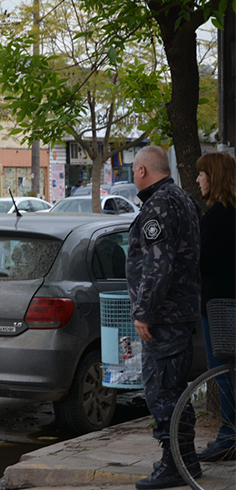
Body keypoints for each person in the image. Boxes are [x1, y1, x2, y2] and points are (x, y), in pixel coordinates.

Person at [126, 145, 202, 489]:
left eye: (133, 170)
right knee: (174, 388)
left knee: (162, 391)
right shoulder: (182, 198)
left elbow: (158, 267)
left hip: (166, 316)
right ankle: (185, 460)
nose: (132, 175)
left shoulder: (158, 205)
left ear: (142, 170)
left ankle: (174, 463)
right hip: (180, 311)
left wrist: (144, 312)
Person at [195, 151, 236, 462]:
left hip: (220, 306)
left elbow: (203, 261)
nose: (198, 180)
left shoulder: (218, 216)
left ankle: (229, 434)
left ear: (215, 177)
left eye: (202, 174)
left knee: (224, 372)